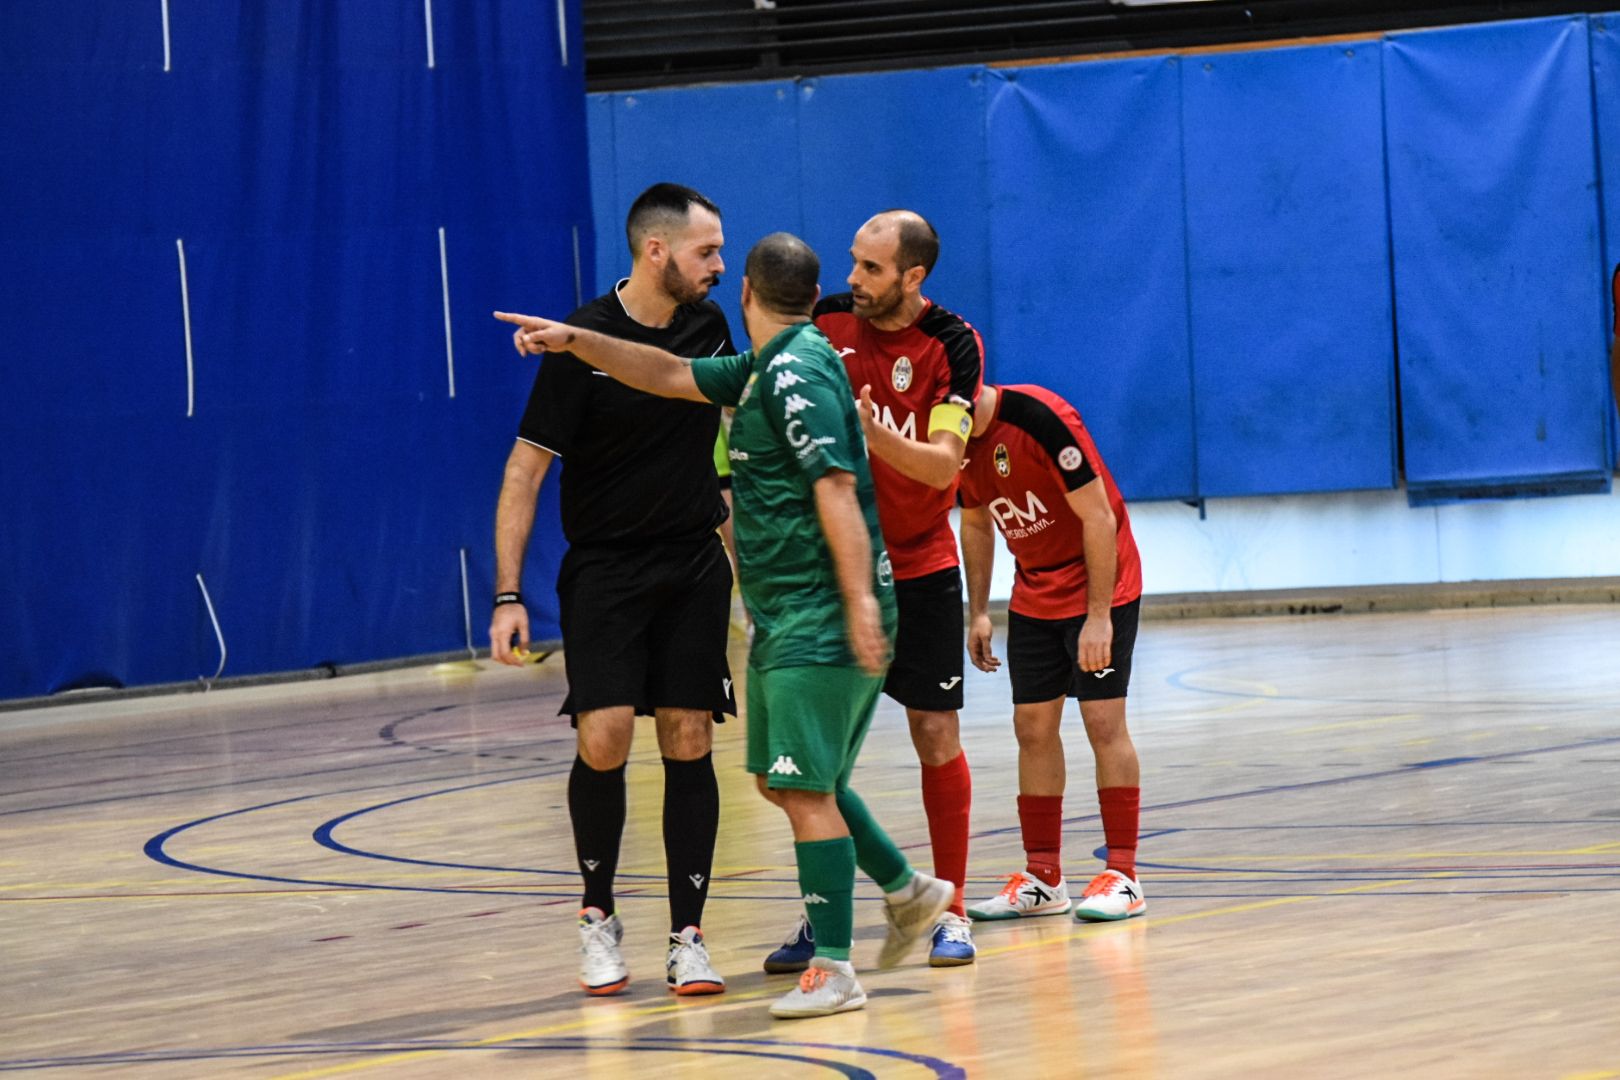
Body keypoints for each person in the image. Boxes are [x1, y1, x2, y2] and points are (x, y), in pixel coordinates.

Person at [495, 231, 954, 1020]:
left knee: (804, 790)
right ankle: (908, 891)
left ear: (745, 292)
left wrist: (859, 604)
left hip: (818, 615)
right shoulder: (768, 366)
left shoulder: (799, 373)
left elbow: (838, 489)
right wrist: (579, 343)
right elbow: (668, 372)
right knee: (794, 782)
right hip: (787, 617)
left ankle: (836, 969)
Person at [487, 183, 736, 998]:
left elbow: (723, 461)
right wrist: (506, 594)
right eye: (707, 251)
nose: (720, 267)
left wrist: (747, 573)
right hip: (605, 570)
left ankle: (688, 937)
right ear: (655, 250)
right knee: (603, 739)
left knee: (690, 738)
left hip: (692, 564)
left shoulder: (710, 328)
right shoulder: (580, 342)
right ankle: (598, 917)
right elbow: (525, 473)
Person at [764, 210, 984, 972]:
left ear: (913, 277)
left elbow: (945, 467)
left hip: (920, 567)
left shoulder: (952, 344)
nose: (849, 281)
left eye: (869, 269)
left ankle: (949, 910)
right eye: (852, 263)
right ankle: (824, 917)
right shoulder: (825, 321)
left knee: (935, 735)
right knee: (816, 765)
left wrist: (872, 435)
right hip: (838, 572)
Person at [954, 383, 1148, 923]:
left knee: (1103, 722)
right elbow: (974, 521)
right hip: (1035, 590)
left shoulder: (1041, 418)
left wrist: (1099, 615)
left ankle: (1125, 876)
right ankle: (1043, 878)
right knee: (1032, 728)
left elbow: (1100, 518)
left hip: (1100, 584)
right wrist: (978, 610)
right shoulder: (954, 441)